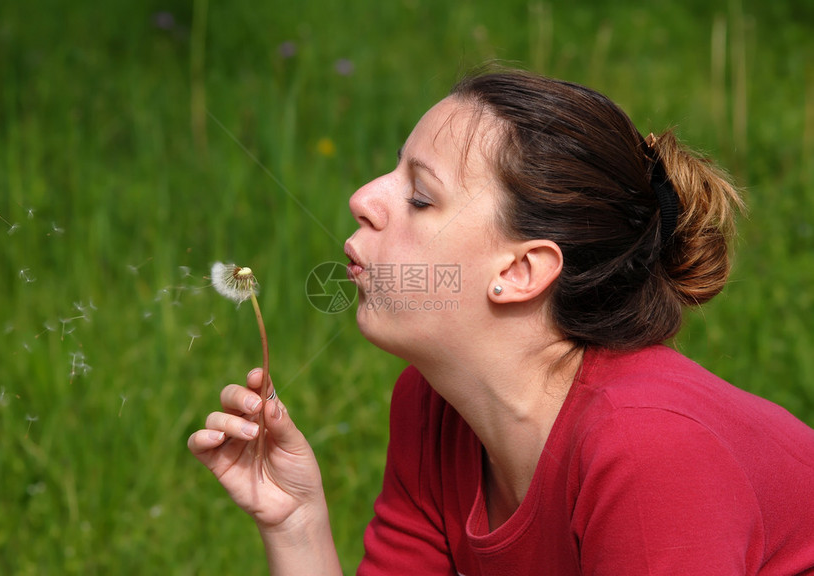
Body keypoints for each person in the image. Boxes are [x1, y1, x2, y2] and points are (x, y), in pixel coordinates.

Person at [188, 68, 814, 575]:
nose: (362, 198)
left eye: (420, 196)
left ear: (520, 271)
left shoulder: (650, 452)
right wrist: (296, 525)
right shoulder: (434, 409)